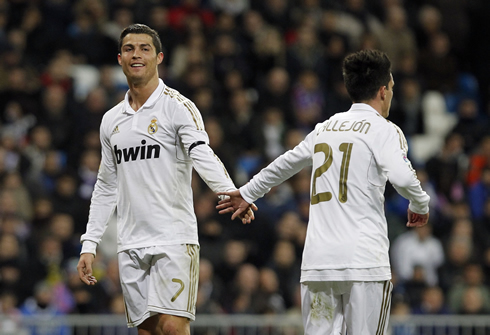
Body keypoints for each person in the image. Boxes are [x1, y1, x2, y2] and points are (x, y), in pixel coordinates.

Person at [217, 49, 430, 335]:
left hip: (320, 264)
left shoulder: (325, 128)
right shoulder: (384, 130)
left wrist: (247, 192)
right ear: (382, 91)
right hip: (364, 263)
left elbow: (286, 163)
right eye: (391, 88)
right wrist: (420, 203)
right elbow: (403, 176)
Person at [76, 24, 255, 335]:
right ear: (120, 59)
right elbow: (106, 185)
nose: (136, 54)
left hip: (173, 236)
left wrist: (229, 191)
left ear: (158, 57)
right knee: (148, 332)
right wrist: (89, 243)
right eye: (129, 49)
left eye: (144, 48)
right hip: (131, 241)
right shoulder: (111, 121)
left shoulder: (177, 106)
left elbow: (202, 152)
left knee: (172, 327)